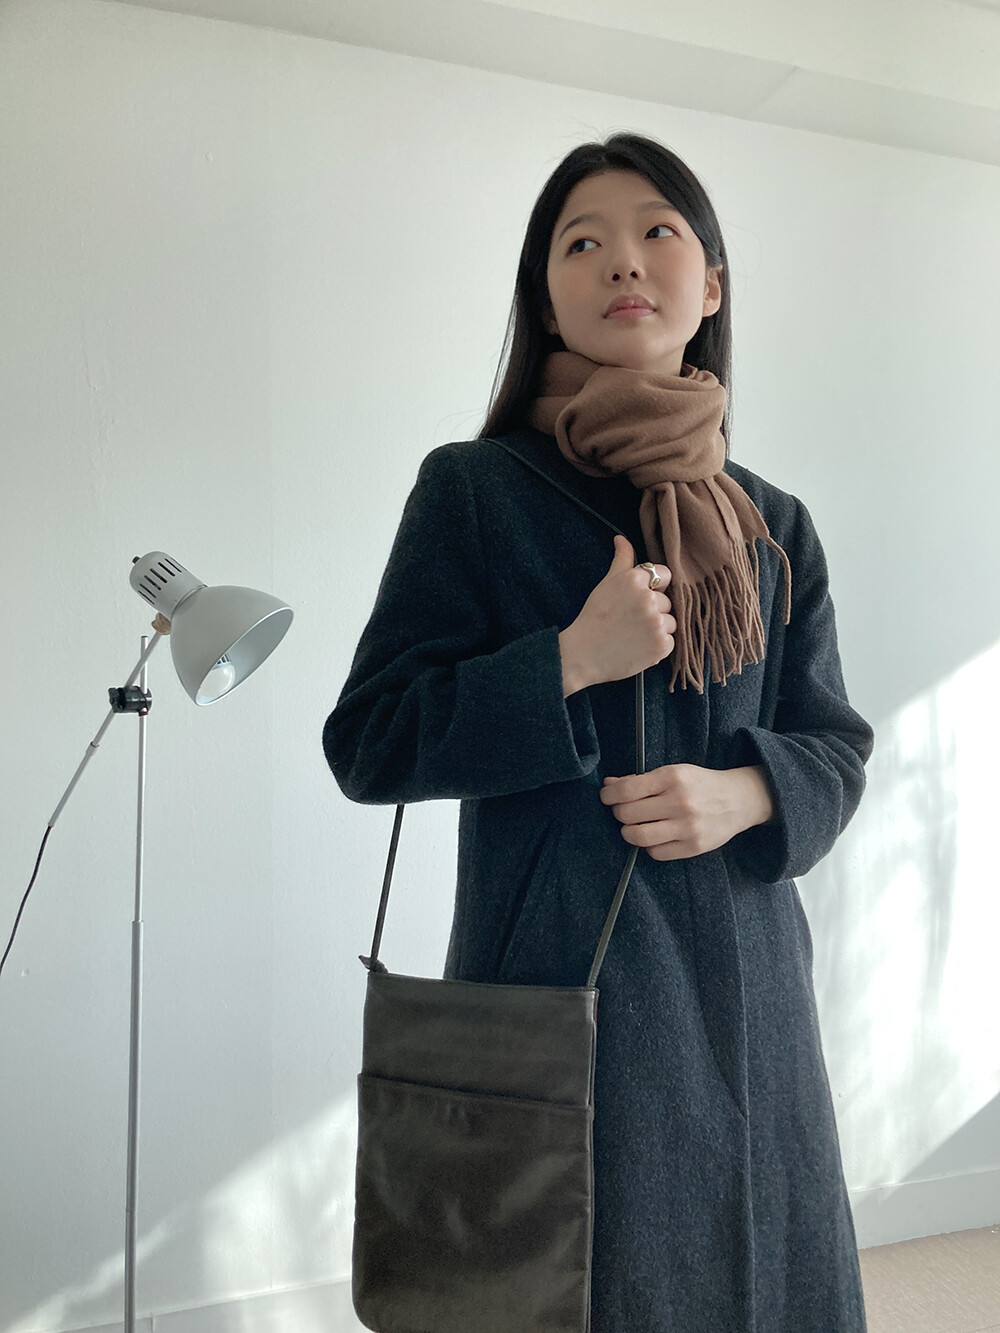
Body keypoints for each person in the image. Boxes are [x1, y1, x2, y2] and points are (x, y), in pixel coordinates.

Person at [323, 132, 874, 1333]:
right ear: (546, 299)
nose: (623, 260)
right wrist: (570, 659)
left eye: (657, 231)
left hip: (752, 1000)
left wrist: (750, 791)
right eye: (582, 243)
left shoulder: (774, 524)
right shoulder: (475, 491)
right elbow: (369, 740)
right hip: (564, 1000)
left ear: (710, 286)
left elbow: (834, 744)